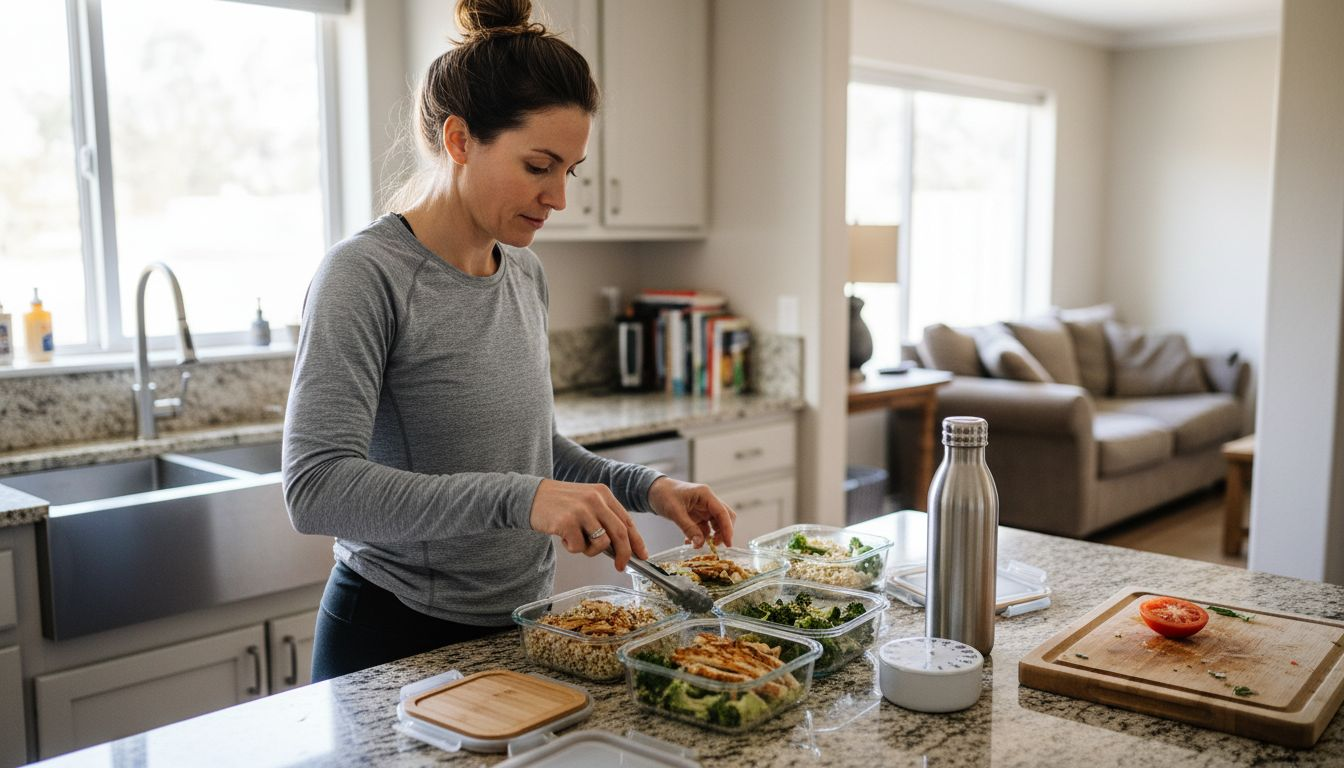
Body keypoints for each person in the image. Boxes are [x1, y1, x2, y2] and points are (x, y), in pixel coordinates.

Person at [282, 0, 736, 683]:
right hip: (391, 637)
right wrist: (522, 499)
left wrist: (651, 488)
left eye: (570, 171)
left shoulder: (522, 270)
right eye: (538, 165)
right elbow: (315, 487)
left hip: (518, 627)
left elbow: (533, 452)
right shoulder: (365, 275)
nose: (558, 196)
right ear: (460, 140)